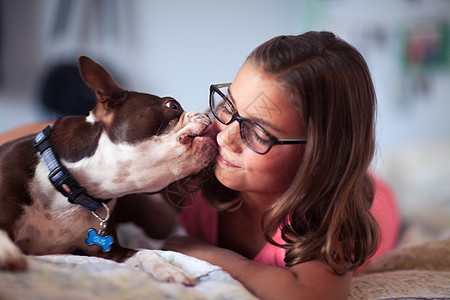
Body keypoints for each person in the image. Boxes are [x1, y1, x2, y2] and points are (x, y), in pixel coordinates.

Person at [0, 31, 400, 299]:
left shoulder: (328, 219)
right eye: (228, 107)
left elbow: (306, 294)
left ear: (319, 155)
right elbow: (53, 138)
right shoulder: (207, 161)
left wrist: (201, 251)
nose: (223, 135)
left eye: (257, 132)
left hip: (372, 196)